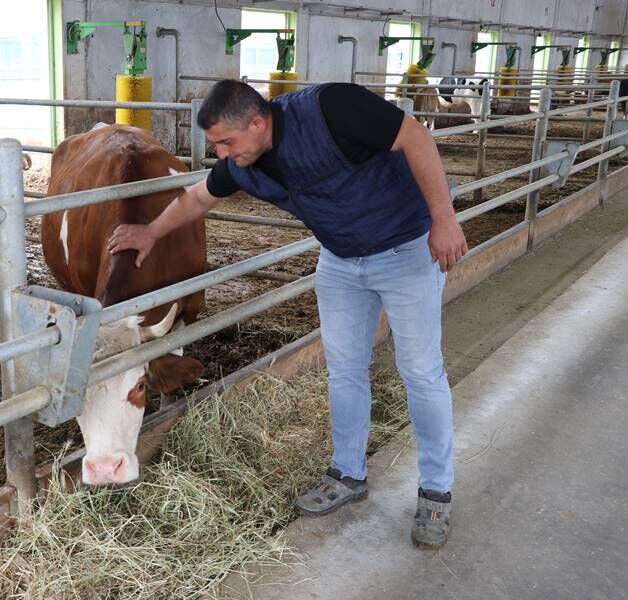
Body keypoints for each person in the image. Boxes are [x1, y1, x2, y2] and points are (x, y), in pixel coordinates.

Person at [106, 79, 467, 549]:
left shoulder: (332, 108)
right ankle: (348, 473)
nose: (222, 153)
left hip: (407, 251)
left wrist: (444, 219)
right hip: (341, 262)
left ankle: (436, 491)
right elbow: (198, 197)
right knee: (344, 370)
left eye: (226, 142)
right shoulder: (243, 162)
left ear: (257, 122)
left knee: (420, 372)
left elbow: (413, 136)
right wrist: (150, 233)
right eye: (216, 144)